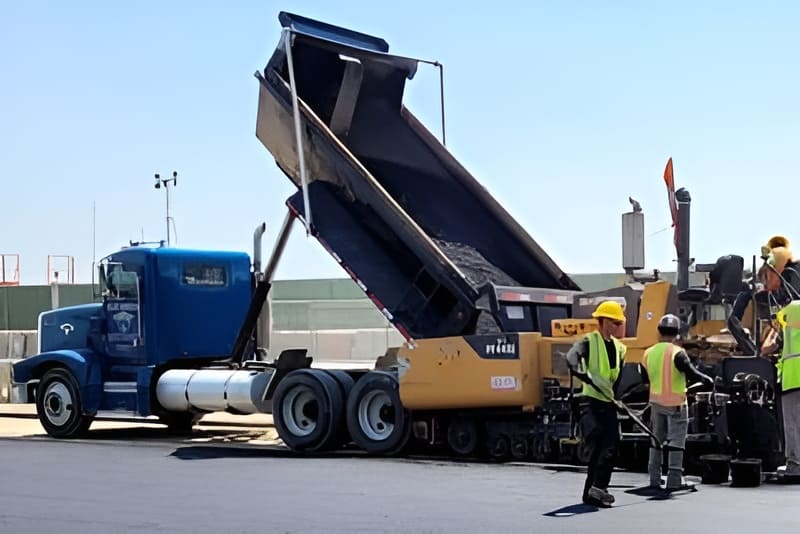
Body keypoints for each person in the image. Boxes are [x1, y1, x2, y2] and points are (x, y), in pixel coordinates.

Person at [639, 314, 714, 490]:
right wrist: (707, 380)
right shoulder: (678, 353)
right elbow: (691, 372)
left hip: (656, 403)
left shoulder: (648, 353)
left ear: (659, 331)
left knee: (656, 441)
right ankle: (674, 479)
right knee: (677, 443)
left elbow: (645, 378)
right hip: (676, 404)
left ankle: (654, 479)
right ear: (677, 333)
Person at [566, 300, 628, 507]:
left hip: (608, 401)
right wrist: (580, 372)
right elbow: (571, 357)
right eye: (613, 322)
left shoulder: (620, 349)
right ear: (602, 321)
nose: (617, 326)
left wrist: (618, 398)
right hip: (590, 401)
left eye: (618, 322)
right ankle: (598, 488)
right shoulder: (589, 341)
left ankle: (593, 491)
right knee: (603, 446)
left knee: (609, 446)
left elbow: (617, 379)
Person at [776, 303, 800, 476]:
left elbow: (771, 344)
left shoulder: (789, 312)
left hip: (793, 378)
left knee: (792, 422)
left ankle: (795, 464)